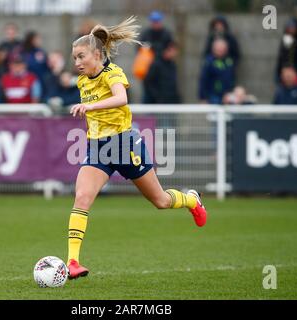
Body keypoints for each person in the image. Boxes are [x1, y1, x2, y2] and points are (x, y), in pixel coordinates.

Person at [66, 16, 208, 279]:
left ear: (97, 54)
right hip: (98, 149)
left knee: (161, 201)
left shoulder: (113, 73)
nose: (77, 63)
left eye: (81, 57)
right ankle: (72, 262)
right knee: (82, 198)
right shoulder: (82, 81)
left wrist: (91, 107)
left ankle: (190, 200)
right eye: (74, 58)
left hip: (126, 145)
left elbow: (121, 99)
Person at [139, 10, 174, 103]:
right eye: (154, 21)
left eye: (157, 21)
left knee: (164, 100)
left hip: (163, 74)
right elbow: (140, 49)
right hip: (149, 73)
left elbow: (172, 50)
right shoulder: (146, 34)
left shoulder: (167, 34)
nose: (155, 24)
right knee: (148, 98)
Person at [199, 38, 235, 104]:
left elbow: (231, 79)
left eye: (222, 48)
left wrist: (229, 92)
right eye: (219, 48)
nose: (221, 50)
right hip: (213, 96)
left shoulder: (228, 61)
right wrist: (203, 97)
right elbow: (203, 80)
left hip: (227, 95)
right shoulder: (209, 61)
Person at [276, 18, 297, 83]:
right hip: (285, 73)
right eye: (289, 27)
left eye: (293, 27)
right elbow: (282, 58)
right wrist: (281, 72)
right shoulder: (285, 40)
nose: (291, 29)